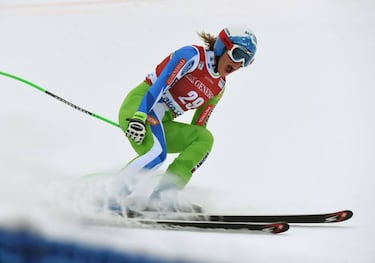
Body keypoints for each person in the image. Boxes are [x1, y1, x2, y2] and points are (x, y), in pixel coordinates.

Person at [117, 26, 257, 213]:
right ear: (222, 46)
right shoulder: (192, 56)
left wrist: (193, 150)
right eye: (238, 54)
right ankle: (112, 195)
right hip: (141, 106)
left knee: (204, 138)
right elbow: (162, 82)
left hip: (161, 121)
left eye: (247, 60)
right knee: (157, 154)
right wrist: (140, 115)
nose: (239, 63)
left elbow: (199, 127)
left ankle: (164, 197)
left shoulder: (219, 87)